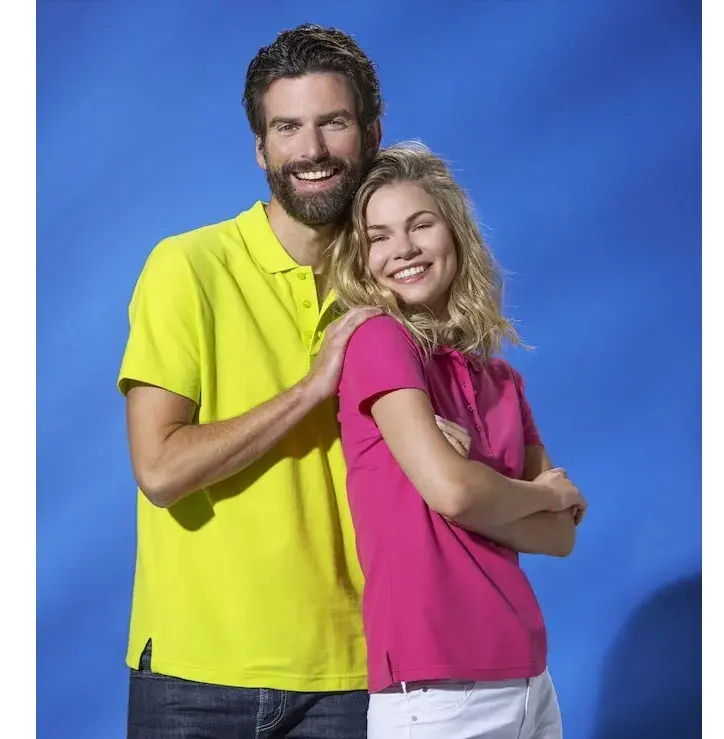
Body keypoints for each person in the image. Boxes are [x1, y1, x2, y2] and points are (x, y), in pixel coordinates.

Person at [117, 24, 385, 738]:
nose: (312, 149)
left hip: (357, 673)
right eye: (287, 127)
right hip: (194, 674)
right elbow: (160, 469)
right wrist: (310, 390)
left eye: (333, 122)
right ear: (261, 148)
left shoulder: (396, 278)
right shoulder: (187, 268)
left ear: (370, 133)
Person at [329, 142, 588, 739]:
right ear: (362, 258)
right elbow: (454, 494)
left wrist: (480, 488)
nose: (403, 249)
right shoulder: (379, 341)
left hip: (530, 677)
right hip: (436, 687)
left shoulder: (500, 380)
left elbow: (559, 537)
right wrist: (542, 493)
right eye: (379, 236)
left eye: (420, 224)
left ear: (455, 231)